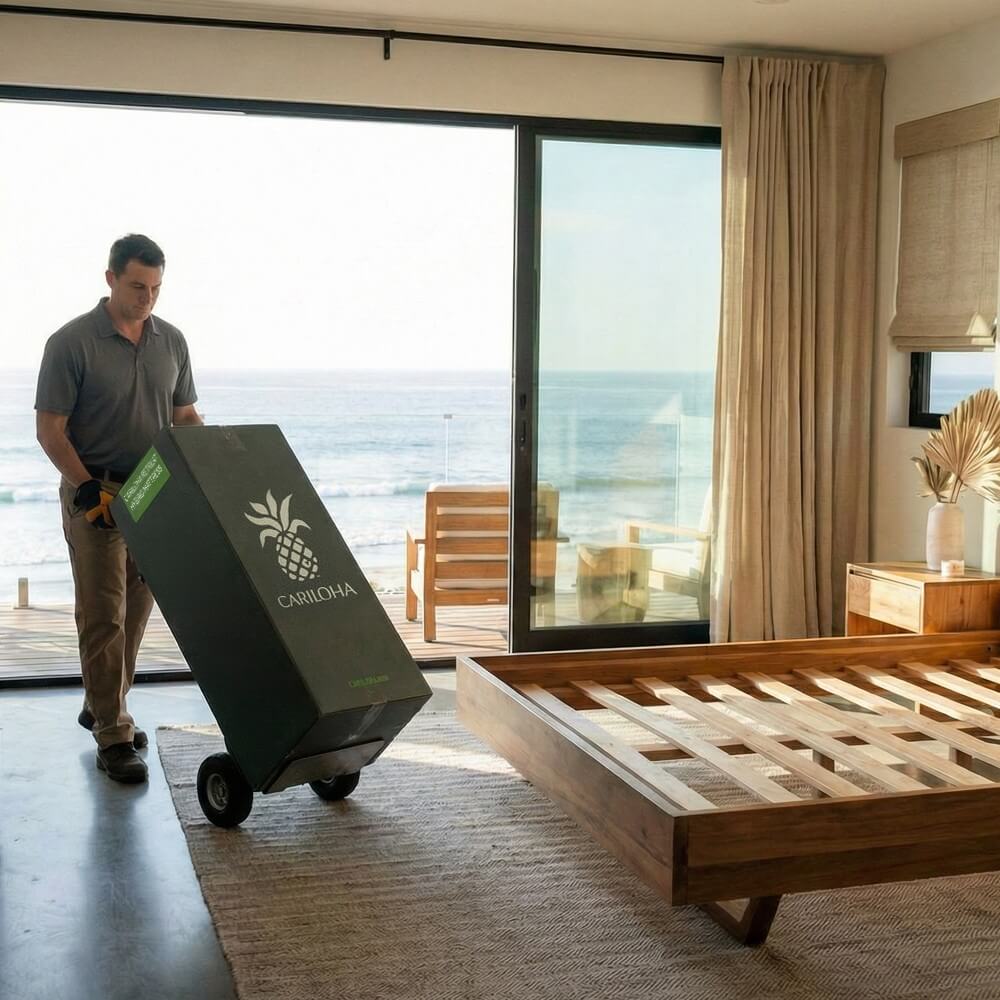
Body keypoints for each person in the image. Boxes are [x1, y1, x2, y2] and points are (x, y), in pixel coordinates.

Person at [35, 234, 203, 783]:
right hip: (96, 492)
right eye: (137, 286)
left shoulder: (171, 342)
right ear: (110, 279)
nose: (147, 297)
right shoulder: (71, 343)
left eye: (155, 288)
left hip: (152, 489)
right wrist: (84, 488)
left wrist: (217, 460)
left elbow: (185, 416)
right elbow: (50, 429)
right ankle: (112, 731)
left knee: (137, 604)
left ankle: (103, 702)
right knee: (102, 610)